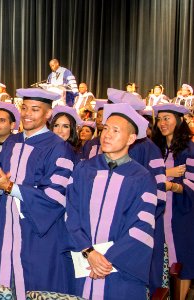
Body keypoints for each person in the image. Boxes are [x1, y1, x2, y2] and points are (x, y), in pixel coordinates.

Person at [0, 88, 76, 299]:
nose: (27, 114)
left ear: (48, 114)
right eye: (24, 108)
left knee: (34, 288)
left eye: (35, 109)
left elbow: (56, 197)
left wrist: (10, 187)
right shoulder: (12, 142)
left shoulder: (59, 148)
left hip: (38, 237)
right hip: (8, 233)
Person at [66, 103, 157, 300]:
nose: (106, 134)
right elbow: (70, 214)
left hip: (120, 272)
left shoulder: (142, 178)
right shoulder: (83, 170)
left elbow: (142, 227)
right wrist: (89, 251)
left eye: (115, 130)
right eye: (105, 128)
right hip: (83, 265)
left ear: (131, 138)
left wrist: (106, 260)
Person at [152, 103, 194, 298]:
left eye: (167, 118)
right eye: (159, 119)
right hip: (158, 210)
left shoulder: (188, 149)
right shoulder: (156, 148)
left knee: (182, 256)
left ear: (179, 120)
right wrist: (165, 176)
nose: (162, 123)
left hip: (180, 211)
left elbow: (191, 184)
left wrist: (171, 185)